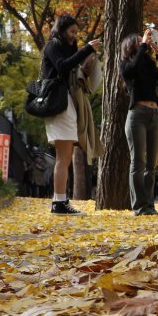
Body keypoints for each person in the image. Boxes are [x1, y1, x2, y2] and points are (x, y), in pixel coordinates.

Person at [42, 14, 101, 214]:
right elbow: (62, 66)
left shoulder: (66, 48)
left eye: (77, 32)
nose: (75, 36)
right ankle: (59, 203)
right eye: (72, 31)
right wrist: (86, 49)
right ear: (62, 29)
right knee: (62, 157)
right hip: (58, 105)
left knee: (65, 157)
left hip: (65, 104)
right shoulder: (52, 46)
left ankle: (61, 200)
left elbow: (71, 69)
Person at [120, 27, 158, 216]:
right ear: (131, 46)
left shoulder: (148, 64)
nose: (143, 42)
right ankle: (139, 207)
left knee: (151, 165)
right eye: (139, 41)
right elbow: (133, 69)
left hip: (154, 115)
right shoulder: (126, 64)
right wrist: (143, 44)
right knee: (138, 162)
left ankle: (149, 206)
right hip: (137, 116)